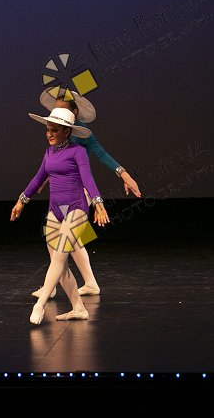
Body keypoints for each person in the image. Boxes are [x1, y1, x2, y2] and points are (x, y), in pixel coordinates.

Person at [31, 88, 140, 298]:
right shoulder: (57, 131)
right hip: (63, 192)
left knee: (61, 239)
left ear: (74, 113)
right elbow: (57, 162)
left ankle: (50, 286)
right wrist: (45, 178)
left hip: (79, 191)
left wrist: (124, 174)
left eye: (63, 111)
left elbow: (101, 154)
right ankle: (89, 283)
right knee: (71, 241)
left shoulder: (82, 133)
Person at [10, 107, 110, 325]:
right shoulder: (49, 152)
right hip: (54, 211)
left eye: (54, 130)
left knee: (59, 257)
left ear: (67, 131)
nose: (49, 134)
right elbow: (38, 179)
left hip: (76, 209)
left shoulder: (78, 151)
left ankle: (40, 305)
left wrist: (98, 202)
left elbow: (88, 178)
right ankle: (79, 308)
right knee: (60, 265)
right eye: (48, 130)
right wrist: (21, 200)